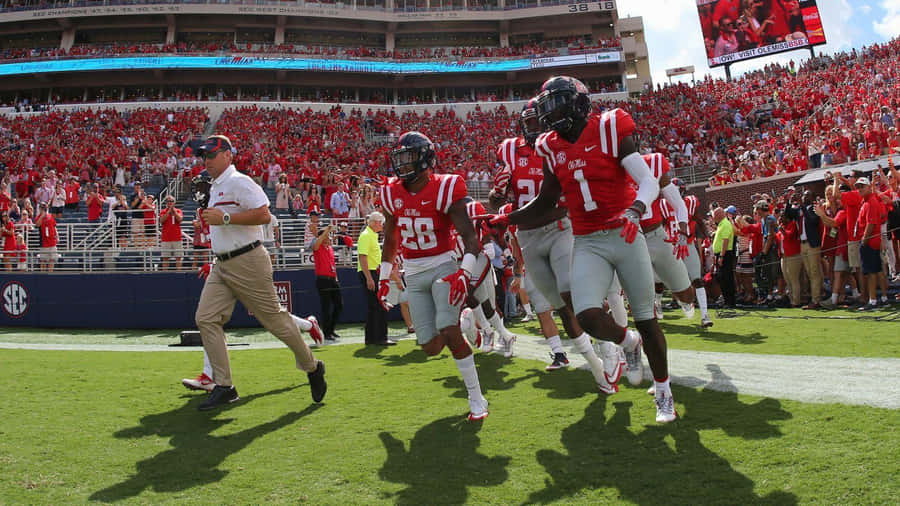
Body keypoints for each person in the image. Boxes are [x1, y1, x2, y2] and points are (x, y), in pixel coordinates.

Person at [497, 76, 675, 423]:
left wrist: (636, 210)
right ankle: (628, 344)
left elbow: (648, 180)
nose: (551, 115)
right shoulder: (549, 144)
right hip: (588, 238)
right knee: (586, 315)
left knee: (647, 317)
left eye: (558, 104)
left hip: (623, 231)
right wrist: (507, 218)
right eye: (547, 107)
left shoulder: (610, 127)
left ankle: (665, 393)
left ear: (578, 103)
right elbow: (546, 199)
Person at [192, 135, 327, 410]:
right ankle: (224, 385)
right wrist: (212, 220)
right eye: (203, 156)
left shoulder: (238, 181)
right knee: (205, 317)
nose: (205, 160)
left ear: (228, 156)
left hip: (247, 260)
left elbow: (265, 215)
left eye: (211, 155)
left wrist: (225, 218)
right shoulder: (216, 186)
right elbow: (223, 222)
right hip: (223, 263)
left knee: (276, 322)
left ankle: (313, 367)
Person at [376, 131, 489, 421]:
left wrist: (463, 274)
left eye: (409, 157)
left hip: (442, 265)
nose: (402, 165)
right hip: (413, 272)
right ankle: (465, 322)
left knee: (447, 329)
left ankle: (477, 398)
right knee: (430, 346)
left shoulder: (446, 187)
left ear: (425, 158)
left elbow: (470, 239)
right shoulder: (391, 192)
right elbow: (390, 239)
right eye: (399, 158)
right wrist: (384, 276)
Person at [357, 211, 393, 345]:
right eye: (381, 223)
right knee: (378, 305)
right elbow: (362, 257)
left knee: (374, 306)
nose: (382, 226)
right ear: (375, 222)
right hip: (370, 272)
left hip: (372, 272)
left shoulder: (371, 235)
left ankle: (372, 338)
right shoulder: (367, 236)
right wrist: (369, 278)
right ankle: (380, 337)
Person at [312, 223, 343, 341]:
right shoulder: (318, 247)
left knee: (339, 305)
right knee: (326, 307)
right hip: (323, 280)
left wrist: (336, 277)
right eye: (327, 236)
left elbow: (332, 264)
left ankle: (331, 329)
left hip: (332, 279)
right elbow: (315, 245)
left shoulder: (330, 248)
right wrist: (326, 230)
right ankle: (326, 333)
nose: (329, 238)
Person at [712, 207, 736, 307]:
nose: (713, 218)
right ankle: (727, 300)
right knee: (722, 278)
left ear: (719, 215)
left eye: (714, 215)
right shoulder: (721, 225)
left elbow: (725, 241)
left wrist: (721, 256)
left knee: (726, 278)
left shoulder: (725, 224)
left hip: (725, 254)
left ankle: (730, 301)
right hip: (721, 254)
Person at [159, 196, 183, 271]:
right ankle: (165, 274)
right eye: (168, 201)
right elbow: (161, 220)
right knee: (165, 258)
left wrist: (174, 212)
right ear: (166, 203)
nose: (170, 202)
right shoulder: (163, 211)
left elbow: (180, 219)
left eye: (171, 201)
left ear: (174, 202)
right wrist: (168, 212)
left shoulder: (178, 211)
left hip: (177, 238)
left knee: (178, 257)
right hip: (166, 238)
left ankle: (179, 273)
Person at [35, 203, 59, 272]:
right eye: (41, 208)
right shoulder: (38, 217)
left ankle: (50, 274)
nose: (43, 209)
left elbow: (54, 226)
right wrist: (42, 217)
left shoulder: (50, 216)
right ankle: (43, 275)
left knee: (52, 260)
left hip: (52, 242)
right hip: (44, 243)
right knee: (43, 260)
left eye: (44, 208)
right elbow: (37, 225)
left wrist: (57, 235)